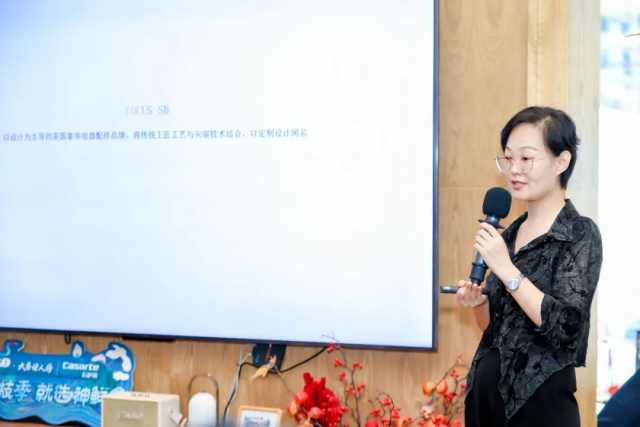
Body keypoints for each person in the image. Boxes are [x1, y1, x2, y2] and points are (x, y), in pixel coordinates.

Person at [455, 106, 603, 427]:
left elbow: (567, 330)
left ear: (561, 162)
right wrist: (479, 304)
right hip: (487, 406)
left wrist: (507, 270)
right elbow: (498, 330)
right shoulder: (509, 234)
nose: (514, 169)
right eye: (508, 158)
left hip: (540, 410)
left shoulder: (579, 233)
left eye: (526, 158)